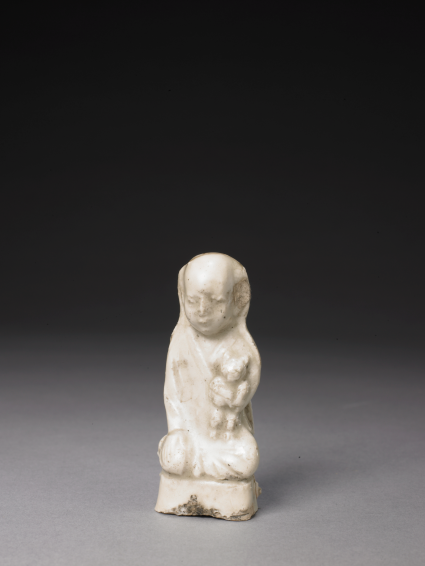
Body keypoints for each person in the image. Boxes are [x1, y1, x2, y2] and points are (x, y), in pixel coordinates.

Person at [158, 252, 261, 480]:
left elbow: (246, 388)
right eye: (193, 301)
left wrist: (235, 397)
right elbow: (172, 398)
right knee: (174, 456)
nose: (202, 311)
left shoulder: (240, 345)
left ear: (237, 299)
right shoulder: (181, 342)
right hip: (188, 432)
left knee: (247, 458)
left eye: (215, 301)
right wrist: (178, 431)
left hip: (224, 434)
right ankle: (196, 464)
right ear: (182, 297)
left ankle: (199, 467)